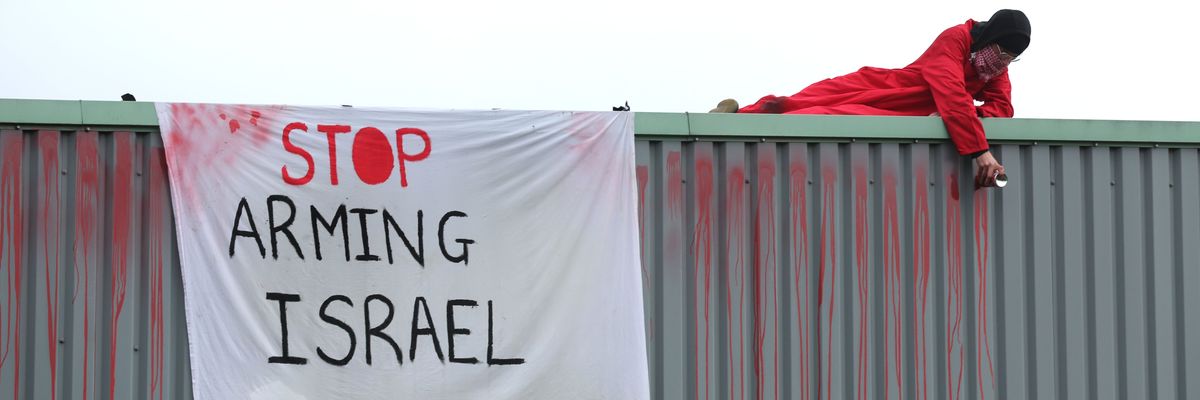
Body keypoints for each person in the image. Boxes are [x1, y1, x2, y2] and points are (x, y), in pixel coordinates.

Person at [711, 9, 1030, 188]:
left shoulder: (992, 66)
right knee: (807, 101)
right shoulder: (956, 38)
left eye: (1011, 59)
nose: (1003, 64)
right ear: (990, 38)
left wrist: (969, 119)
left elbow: (1002, 108)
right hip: (887, 90)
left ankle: (744, 116)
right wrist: (979, 150)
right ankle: (741, 115)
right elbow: (950, 91)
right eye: (1002, 53)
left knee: (826, 116)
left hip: (907, 116)